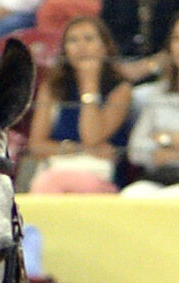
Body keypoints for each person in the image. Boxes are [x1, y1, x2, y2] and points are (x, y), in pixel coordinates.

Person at [23, 14, 130, 190]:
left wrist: (89, 85)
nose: (81, 47)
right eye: (73, 41)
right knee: (51, 182)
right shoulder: (52, 88)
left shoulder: (120, 90)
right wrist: (78, 150)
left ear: (105, 48)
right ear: (64, 50)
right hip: (57, 171)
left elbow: (92, 137)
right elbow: (36, 145)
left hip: (101, 177)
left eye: (89, 39)